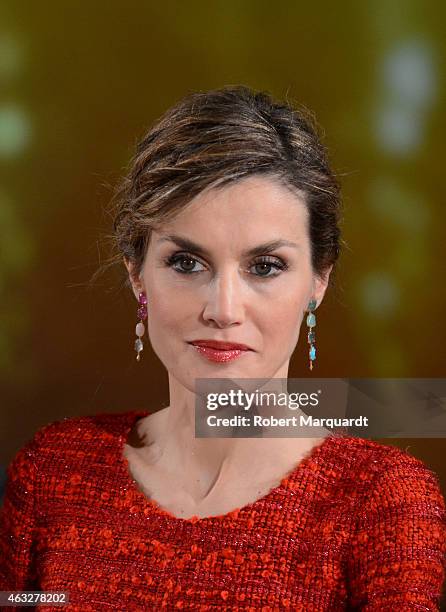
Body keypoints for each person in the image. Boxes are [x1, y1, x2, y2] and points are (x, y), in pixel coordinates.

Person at [1, 86, 445, 611]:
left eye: (265, 266)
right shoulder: (53, 470)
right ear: (137, 276)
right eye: (187, 263)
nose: (223, 308)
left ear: (319, 281)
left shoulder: (381, 501)